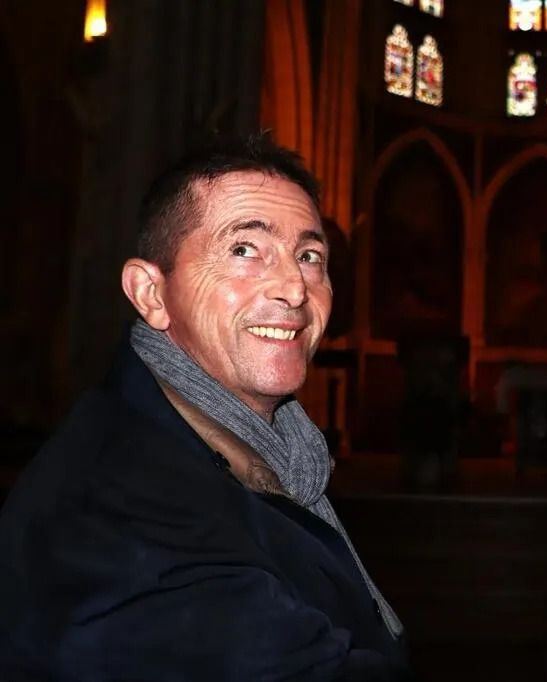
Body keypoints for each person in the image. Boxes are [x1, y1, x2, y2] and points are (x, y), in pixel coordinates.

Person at [0, 134, 409, 680]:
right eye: (244, 250)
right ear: (150, 293)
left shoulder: (252, 451)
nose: (295, 288)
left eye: (310, 256)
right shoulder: (122, 512)